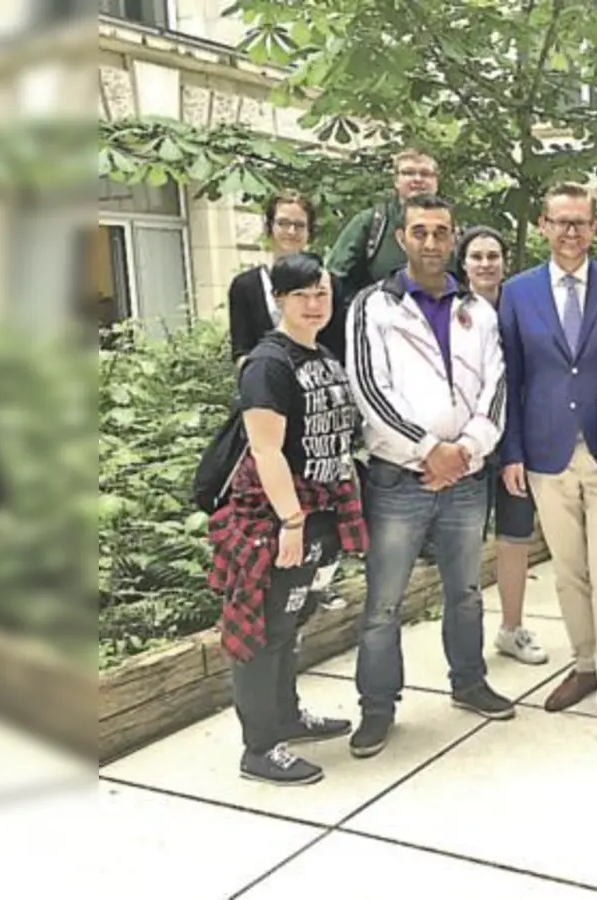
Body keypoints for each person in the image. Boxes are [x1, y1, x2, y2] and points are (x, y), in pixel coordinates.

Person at [343, 195, 514, 757]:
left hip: (465, 478)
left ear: (453, 236)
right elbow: (369, 391)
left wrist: (465, 451)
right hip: (399, 481)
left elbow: (496, 389)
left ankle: (468, 681)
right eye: (421, 232)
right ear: (402, 237)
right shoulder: (374, 306)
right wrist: (427, 451)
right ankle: (376, 707)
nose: (432, 243)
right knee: (384, 603)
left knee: (466, 592)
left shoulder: (479, 311)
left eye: (442, 232)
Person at [498, 183, 597, 737]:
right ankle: (585, 663)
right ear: (543, 225)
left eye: (580, 223)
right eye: (560, 222)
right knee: (568, 570)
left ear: (594, 228)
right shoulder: (517, 294)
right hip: (545, 450)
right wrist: (511, 451)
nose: (570, 232)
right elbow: (511, 380)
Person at [207, 252, 360, 786]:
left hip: (318, 512)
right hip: (276, 519)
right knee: (263, 630)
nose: (315, 304)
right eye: (302, 296)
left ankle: (286, 717)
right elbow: (265, 450)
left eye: (321, 293)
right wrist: (290, 522)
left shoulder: (319, 352)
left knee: (289, 623)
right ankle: (260, 746)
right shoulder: (270, 364)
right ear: (280, 301)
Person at [451, 226, 549, 666]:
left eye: (494, 255)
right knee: (466, 542)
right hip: (464, 442)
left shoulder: (523, 306)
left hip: (515, 440)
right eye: (477, 256)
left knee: (514, 535)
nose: (486, 263)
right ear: (464, 262)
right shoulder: (448, 309)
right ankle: (463, 640)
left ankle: (512, 627)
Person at [229, 190, 348, 363]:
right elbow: (242, 351)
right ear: (270, 227)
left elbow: (339, 348)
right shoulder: (245, 286)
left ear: (310, 231)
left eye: (299, 225)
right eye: (283, 223)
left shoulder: (329, 284)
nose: (291, 231)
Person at [326, 147, 440, 305]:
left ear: (436, 182)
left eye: (425, 174)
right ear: (396, 181)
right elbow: (334, 278)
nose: (418, 179)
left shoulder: (453, 231)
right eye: (408, 173)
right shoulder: (370, 223)